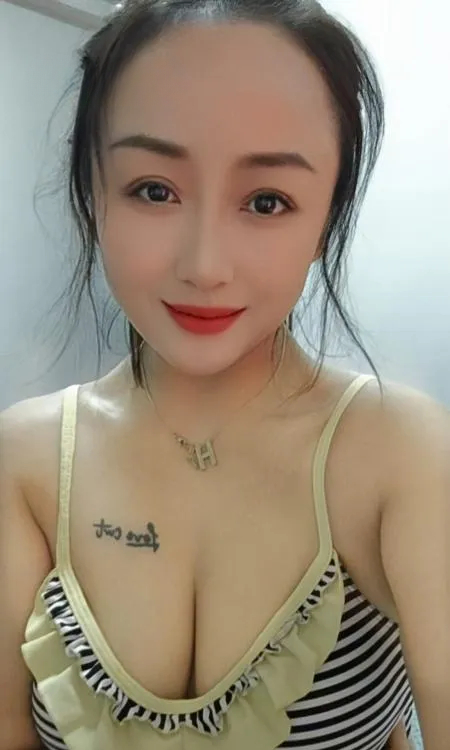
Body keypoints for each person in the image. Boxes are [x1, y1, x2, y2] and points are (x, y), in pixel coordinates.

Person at [0, 0, 448, 748]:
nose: (205, 265)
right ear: (93, 191)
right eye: (154, 189)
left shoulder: (397, 453)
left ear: (325, 220)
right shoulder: (26, 459)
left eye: (267, 201)